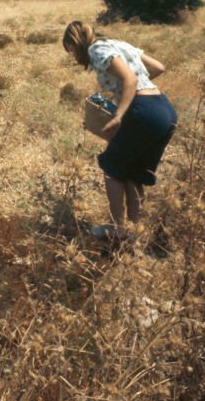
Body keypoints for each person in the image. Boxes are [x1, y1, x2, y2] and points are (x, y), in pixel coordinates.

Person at [62, 20, 177, 241]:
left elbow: (130, 79)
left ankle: (117, 228)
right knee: (134, 173)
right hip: (164, 109)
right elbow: (158, 67)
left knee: (112, 168)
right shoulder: (118, 44)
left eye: (71, 49)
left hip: (142, 111)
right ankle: (132, 232)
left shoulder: (97, 48)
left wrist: (119, 115)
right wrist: (128, 89)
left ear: (75, 42)